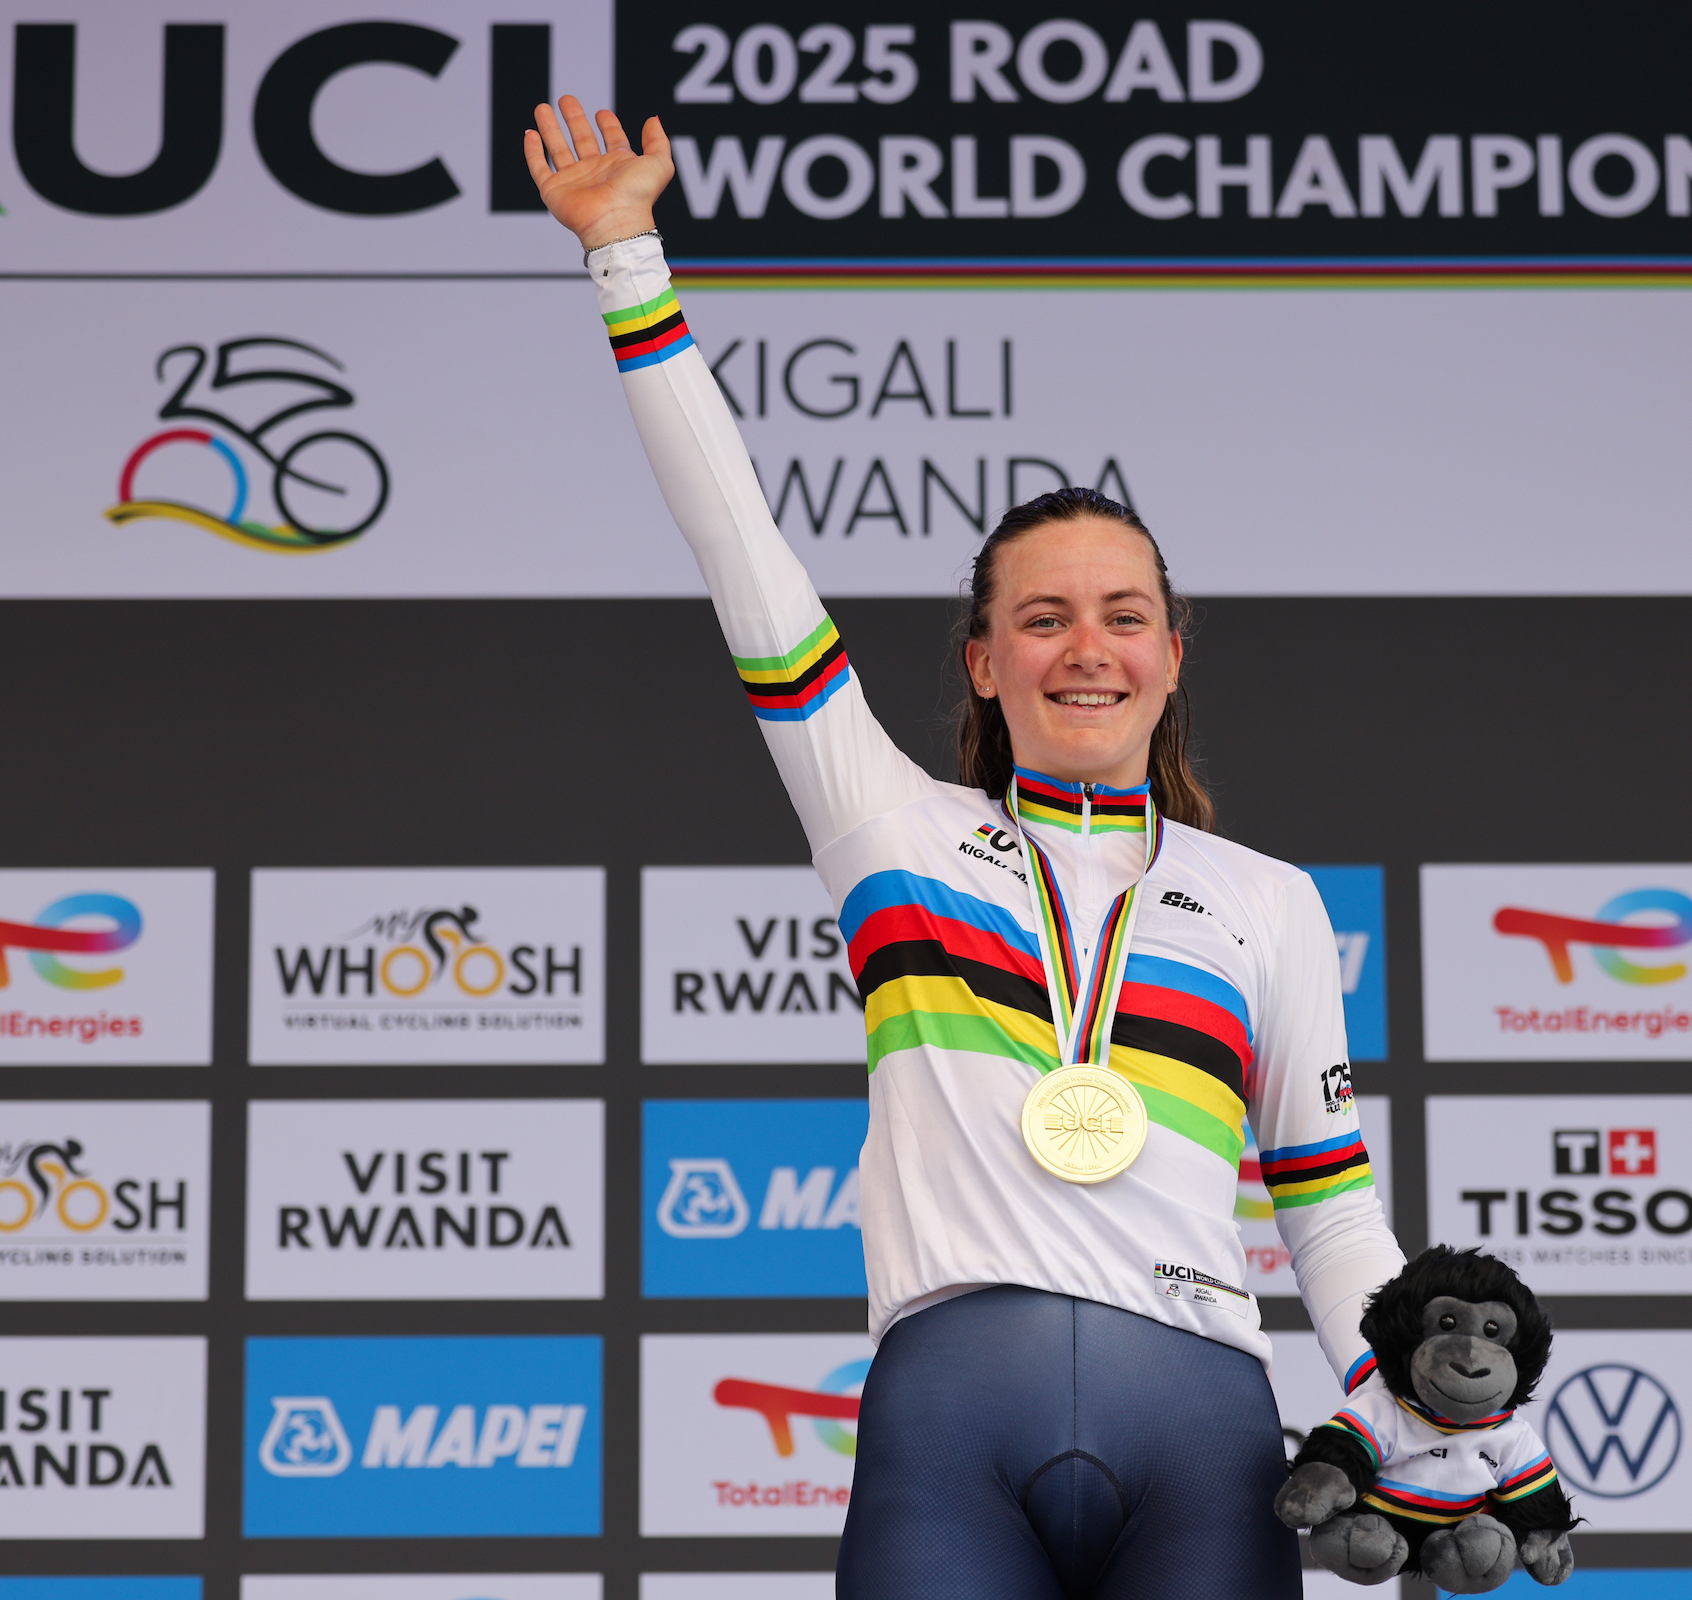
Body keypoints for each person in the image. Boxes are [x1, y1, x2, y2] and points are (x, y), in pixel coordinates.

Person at [527, 97, 1407, 1599]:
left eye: (1124, 617)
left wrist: (1430, 1415)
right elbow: (743, 552)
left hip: (1205, 1428)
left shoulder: (1265, 901)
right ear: (985, 664)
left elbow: (1329, 1212)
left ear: (1172, 655)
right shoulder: (887, 824)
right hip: (950, 1419)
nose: (1087, 648)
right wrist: (625, 253)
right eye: (1042, 619)